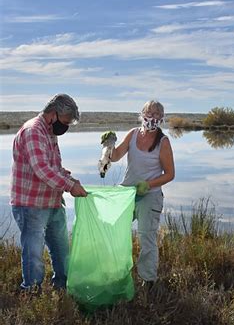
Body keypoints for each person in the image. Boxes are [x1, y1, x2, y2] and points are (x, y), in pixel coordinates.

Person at [10, 93, 88, 293]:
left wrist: (70, 179)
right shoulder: (33, 131)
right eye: (65, 121)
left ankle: (62, 287)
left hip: (52, 203)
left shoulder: (50, 132)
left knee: (62, 250)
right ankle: (32, 291)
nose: (66, 127)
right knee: (34, 253)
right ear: (53, 114)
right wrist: (70, 187)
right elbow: (42, 169)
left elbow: (54, 167)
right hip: (30, 204)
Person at [101, 100, 175, 285]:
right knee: (115, 232)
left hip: (149, 195)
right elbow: (116, 156)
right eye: (150, 113)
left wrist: (148, 185)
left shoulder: (163, 142)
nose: (153, 118)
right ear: (142, 115)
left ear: (162, 119)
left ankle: (148, 281)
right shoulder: (133, 134)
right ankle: (117, 273)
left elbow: (170, 174)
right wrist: (109, 144)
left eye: (158, 115)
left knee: (146, 238)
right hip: (126, 193)